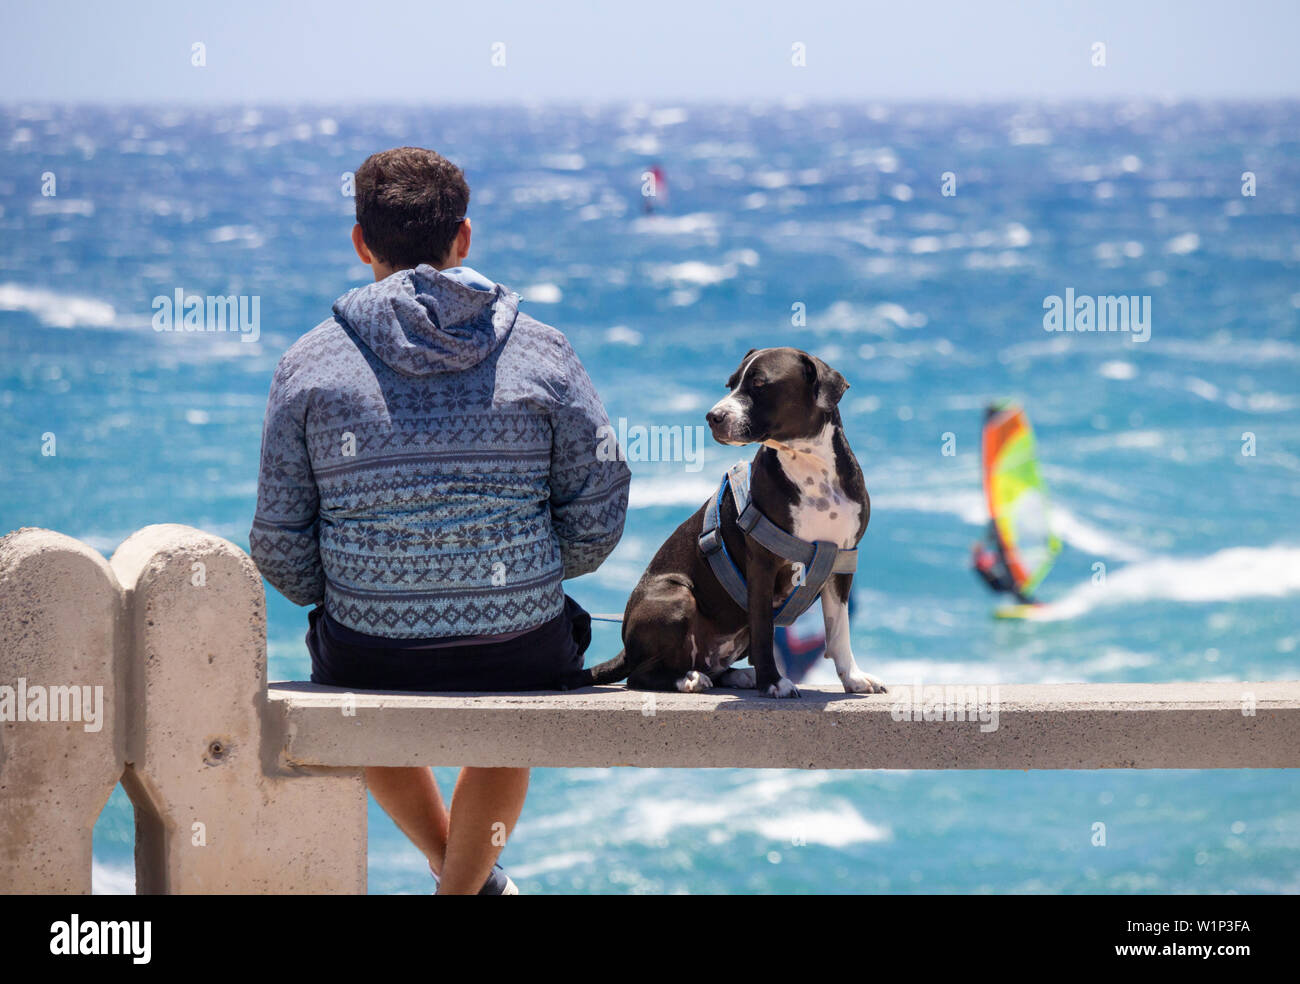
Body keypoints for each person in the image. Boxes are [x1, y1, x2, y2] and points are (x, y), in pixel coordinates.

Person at [249, 146, 630, 894]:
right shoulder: (545, 351)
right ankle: (464, 887)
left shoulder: (309, 363)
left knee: (353, 675)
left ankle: (455, 878)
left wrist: (366, 584)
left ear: (361, 242)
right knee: (512, 702)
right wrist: (534, 571)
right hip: (519, 647)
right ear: (463, 237)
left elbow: (278, 539)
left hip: (366, 650)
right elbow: (602, 497)